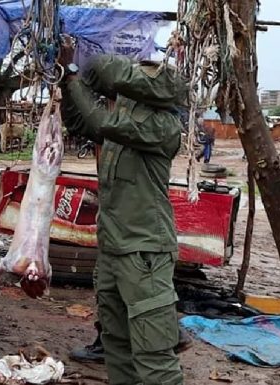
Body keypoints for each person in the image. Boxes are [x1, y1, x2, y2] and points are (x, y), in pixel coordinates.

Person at [58, 39, 186, 385]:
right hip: (114, 251)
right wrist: (66, 80)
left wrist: (72, 75)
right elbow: (79, 121)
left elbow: (99, 123)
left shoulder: (162, 125)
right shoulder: (122, 118)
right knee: (117, 346)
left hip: (145, 254)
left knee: (154, 357)